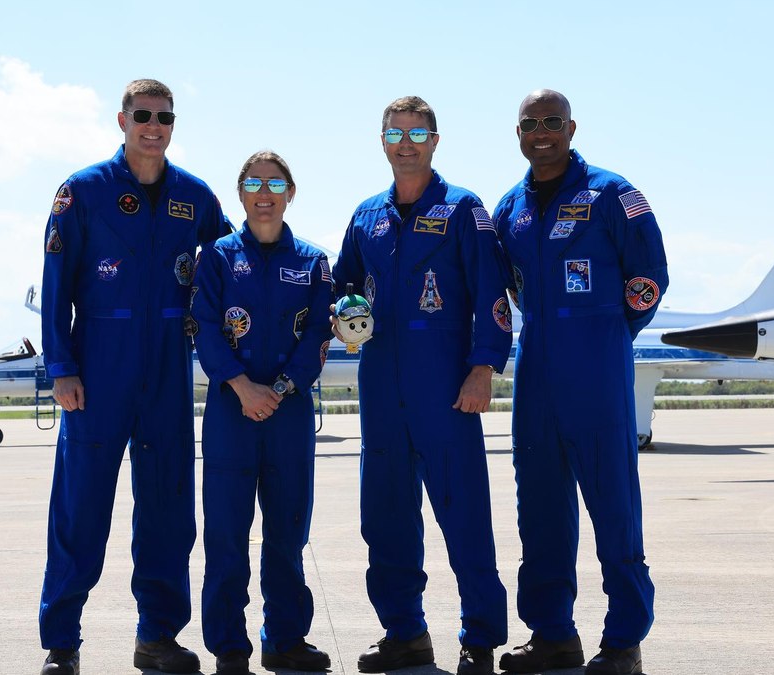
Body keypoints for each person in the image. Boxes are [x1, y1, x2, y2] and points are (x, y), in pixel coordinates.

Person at [37, 78, 232, 675]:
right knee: (81, 509)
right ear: (121, 120)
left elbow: (235, 262)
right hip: (99, 367)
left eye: (164, 118)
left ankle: (158, 637)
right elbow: (55, 288)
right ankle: (62, 643)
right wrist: (62, 368)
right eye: (143, 115)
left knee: (168, 509)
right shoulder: (82, 192)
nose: (154, 126)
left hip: (168, 367)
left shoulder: (194, 196)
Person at [332, 96, 512, 675]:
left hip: (446, 383)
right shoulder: (366, 215)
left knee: (463, 512)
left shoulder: (463, 209)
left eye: (416, 133)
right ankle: (404, 632)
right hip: (381, 381)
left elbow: (492, 293)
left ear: (435, 140)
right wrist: (341, 311)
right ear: (382, 141)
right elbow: (342, 284)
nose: (405, 143)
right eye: (395, 133)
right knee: (384, 516)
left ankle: (480, 637)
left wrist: (483, 368)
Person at [492, 89, 668, 675]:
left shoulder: (613, 194)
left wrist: (608, 333)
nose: (541, 132)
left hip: (597, 369)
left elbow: (649, 278)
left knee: (613, 505)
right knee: (540, 508)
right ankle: (552, 635)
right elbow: (507, 286)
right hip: (536, 370)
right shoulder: (509, 208)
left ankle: (623, 642)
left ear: (571, 128)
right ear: (519, 133)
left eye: (552, 121)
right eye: (530, 123)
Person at [191, 150, 335, 675]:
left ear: (290, 193)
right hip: (231, 412)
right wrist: (241, 386)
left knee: (288, 532)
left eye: (275, 184)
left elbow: (319, 333)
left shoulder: (314, 262)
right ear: (241, 194)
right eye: (254, 183)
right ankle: (229, 645)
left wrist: (279, 388)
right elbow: (204, 326)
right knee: (227, 534)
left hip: (288, 411)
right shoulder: (217, 258)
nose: (265, 193)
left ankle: (285, 639)